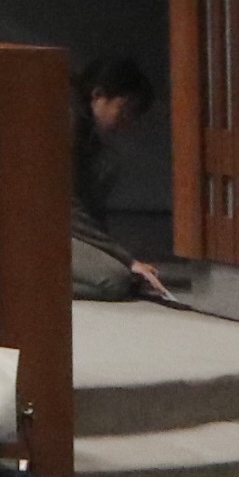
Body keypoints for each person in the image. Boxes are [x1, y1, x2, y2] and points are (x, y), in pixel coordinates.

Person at [72, 55, 175, 302]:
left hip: (64, 229)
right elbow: (67, 208)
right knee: (115, 281)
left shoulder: (95, 145)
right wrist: (126, 259)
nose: (127, 120)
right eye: (125, 109)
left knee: (125, 277)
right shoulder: (65, 126)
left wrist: (122, 258)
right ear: (98, 96)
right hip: (34, 229)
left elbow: (91, 212)